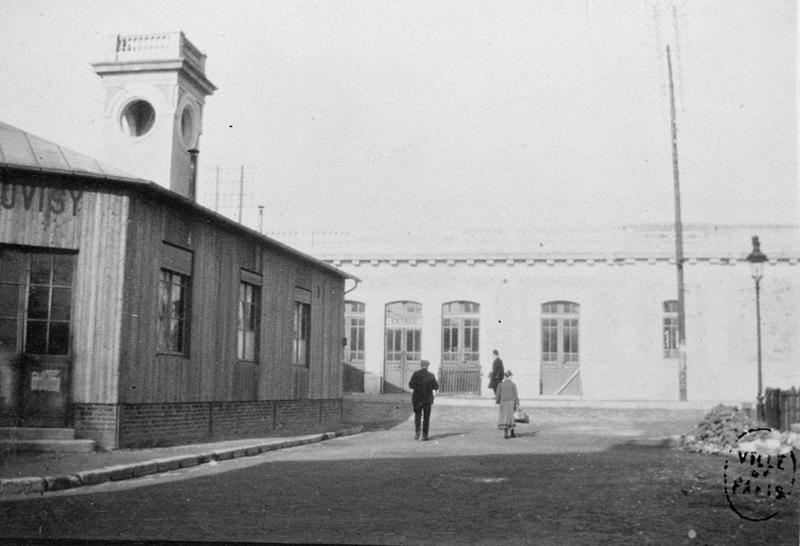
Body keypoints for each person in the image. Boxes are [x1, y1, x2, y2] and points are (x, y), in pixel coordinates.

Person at [408, 359, 439, 441]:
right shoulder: (431, 375)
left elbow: (410, 385)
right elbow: (436, 387)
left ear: (421, 365)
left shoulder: (416, 374)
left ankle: (417, 431)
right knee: (426, 417)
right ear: (428, 366)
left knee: (417, 415)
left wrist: (417, 387)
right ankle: (424, 435)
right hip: (427, 399)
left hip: (417, 398)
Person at [495, 370, 519, 439]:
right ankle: (512, 433)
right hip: (511, 402)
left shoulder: (501, 384)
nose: (512, 377)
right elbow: (515, 395)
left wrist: (497, 402)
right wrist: (517, 403)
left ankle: (505, 433)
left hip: (503, 402)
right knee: (511, 416)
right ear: (509, 376)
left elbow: (498, 394)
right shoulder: (513, 384)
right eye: (511, 376)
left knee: (504, 416)